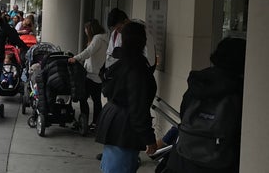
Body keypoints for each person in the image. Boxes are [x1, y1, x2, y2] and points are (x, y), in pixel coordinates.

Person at [164, 37, 246, 173]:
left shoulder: (199, 81)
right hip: (219, 162)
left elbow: (184, 113)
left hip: (182, 159)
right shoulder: (241, 90)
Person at [95, 21, 158, 173]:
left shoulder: (121, 62)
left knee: (112, 167)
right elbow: (138, 107)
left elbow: (107, 88)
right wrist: (149, 138)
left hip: (114, 121)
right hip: (125, 128)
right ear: (142, 41)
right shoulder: (138, 68)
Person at [68, 19, 108, 131]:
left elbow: (88, 52)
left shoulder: (97, 39)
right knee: (96, 100)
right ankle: (96, 123)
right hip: (97, 73)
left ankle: (85, 120)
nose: (85, 31)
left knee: (83, 97)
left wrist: (75, 58)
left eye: (86, 29)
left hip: (91, 74)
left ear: (90, 29)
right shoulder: (104, 39)